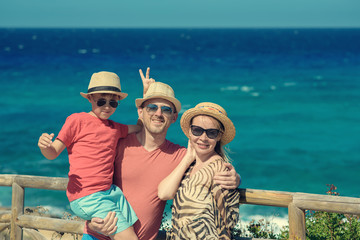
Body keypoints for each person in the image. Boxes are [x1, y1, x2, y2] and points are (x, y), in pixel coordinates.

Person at [82, 68, 241, 240]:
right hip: (96, 236)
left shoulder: (182, 156)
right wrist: (91, 222)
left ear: (174, 117)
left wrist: (235, 177)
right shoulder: (118, 143)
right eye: (152, 107)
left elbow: (209, 164)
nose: (158, 113)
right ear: (141, 112)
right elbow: (89, 179)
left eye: (165, 109)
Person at [37, 71, 141, 240]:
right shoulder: (77, 120)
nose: (107, 106)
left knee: (116, 232)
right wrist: (44, 146)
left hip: (109, 193)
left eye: (113, 103)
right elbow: (52, 153)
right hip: (88, 197)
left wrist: (146, 97)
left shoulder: (115, 128)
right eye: (101, 101)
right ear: (90, 99)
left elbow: (139, 127)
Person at [158, 102, 240, 239]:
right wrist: (187, 158)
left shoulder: (220, 170)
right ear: (190, 131)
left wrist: (236, 179)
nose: (203, 138)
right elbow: (164, 193)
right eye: (197, 130)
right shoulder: (189, 166)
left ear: (219, 136)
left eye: (211, 133)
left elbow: (226, 224)